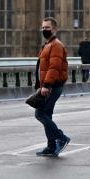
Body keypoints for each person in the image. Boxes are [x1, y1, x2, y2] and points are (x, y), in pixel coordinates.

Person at [34, 17, 70, 157]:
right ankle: (51, 146)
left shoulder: (55, 45)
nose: (44, 30)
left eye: (47, 28)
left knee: (40, 114)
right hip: (48, 85)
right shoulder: (49, 44)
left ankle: (60, 137)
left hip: (52, 86)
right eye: (43, 28)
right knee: (46, 114)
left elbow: (54, 68)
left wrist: (47, 85)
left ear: (54, 29)